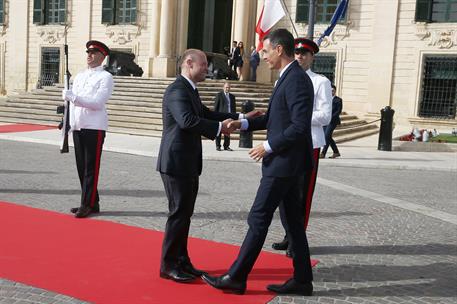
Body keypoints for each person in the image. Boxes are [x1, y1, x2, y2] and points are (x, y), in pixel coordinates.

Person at [202, 29, 315, 296]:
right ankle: (302, 280)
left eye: (264, 51)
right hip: (286, 163)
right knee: (293, 224)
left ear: (278, 49)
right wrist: (241, 123)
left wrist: (268, 146)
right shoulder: (285, 78)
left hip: (284, 163)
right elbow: (272, 119)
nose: (260, 56)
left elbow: (299, 127)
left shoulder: (296, 79)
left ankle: (237, 277)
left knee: (258, 217)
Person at [156, 49, 261, 283]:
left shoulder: (190, 90)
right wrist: (221, 129)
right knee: (178, 214)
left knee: (185, 214)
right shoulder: (176, 90)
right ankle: (168, 265)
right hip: (175, 162)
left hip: (187, 162)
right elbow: (188, 121)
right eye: (204, 65)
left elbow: (207, 114)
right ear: (189, 63)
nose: (207, 69)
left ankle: (182, 260)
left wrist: (241, 117)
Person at [272, 37, 332, 257]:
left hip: (309, 144)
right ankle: (290, 235)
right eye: (297, 53)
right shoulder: (282, 79)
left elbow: (325, 116)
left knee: (302, 195)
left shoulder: (320, 82)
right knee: (285, 193)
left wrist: (298, 119)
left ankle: (298, 241)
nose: (300, 57)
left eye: (304, 54)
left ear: (312, 57)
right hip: (287, 143)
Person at [62, 40, 114, 218]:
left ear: (102, 56)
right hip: (78, 125)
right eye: (88, 52)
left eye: (93, 52)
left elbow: (98, 103)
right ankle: (93, 202)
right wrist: (67, 122)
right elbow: (72, 105)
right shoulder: (79, 76)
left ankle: (86, 204)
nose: (89, 55)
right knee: (81, 167)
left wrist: (74, 98)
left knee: (91, 167)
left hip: (94, 127)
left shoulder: (105, 77)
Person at [321, 84, 343, 158]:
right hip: (325, 120)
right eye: (330, 91)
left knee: (326, 136)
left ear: (335, 91)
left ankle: (323, 153)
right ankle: (336, 152)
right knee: (328, 136)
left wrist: (330, 117)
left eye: (333, 91)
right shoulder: (326, 99)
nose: (331, 92)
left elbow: (338, 111)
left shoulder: (338, 100)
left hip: (333, 121)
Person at [213, 82, 236, 151]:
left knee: (228, 131)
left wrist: (234, 117)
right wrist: (215, 116)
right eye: (226, 87)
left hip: (229, 116)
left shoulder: (232, 97)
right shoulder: (219, 95)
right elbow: (216, 107)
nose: (227, 89)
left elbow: (234, 107)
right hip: (220, 116)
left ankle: (226, 146)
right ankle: (218, 146)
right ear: (223, 88)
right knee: (219, 131)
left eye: (229, 87)